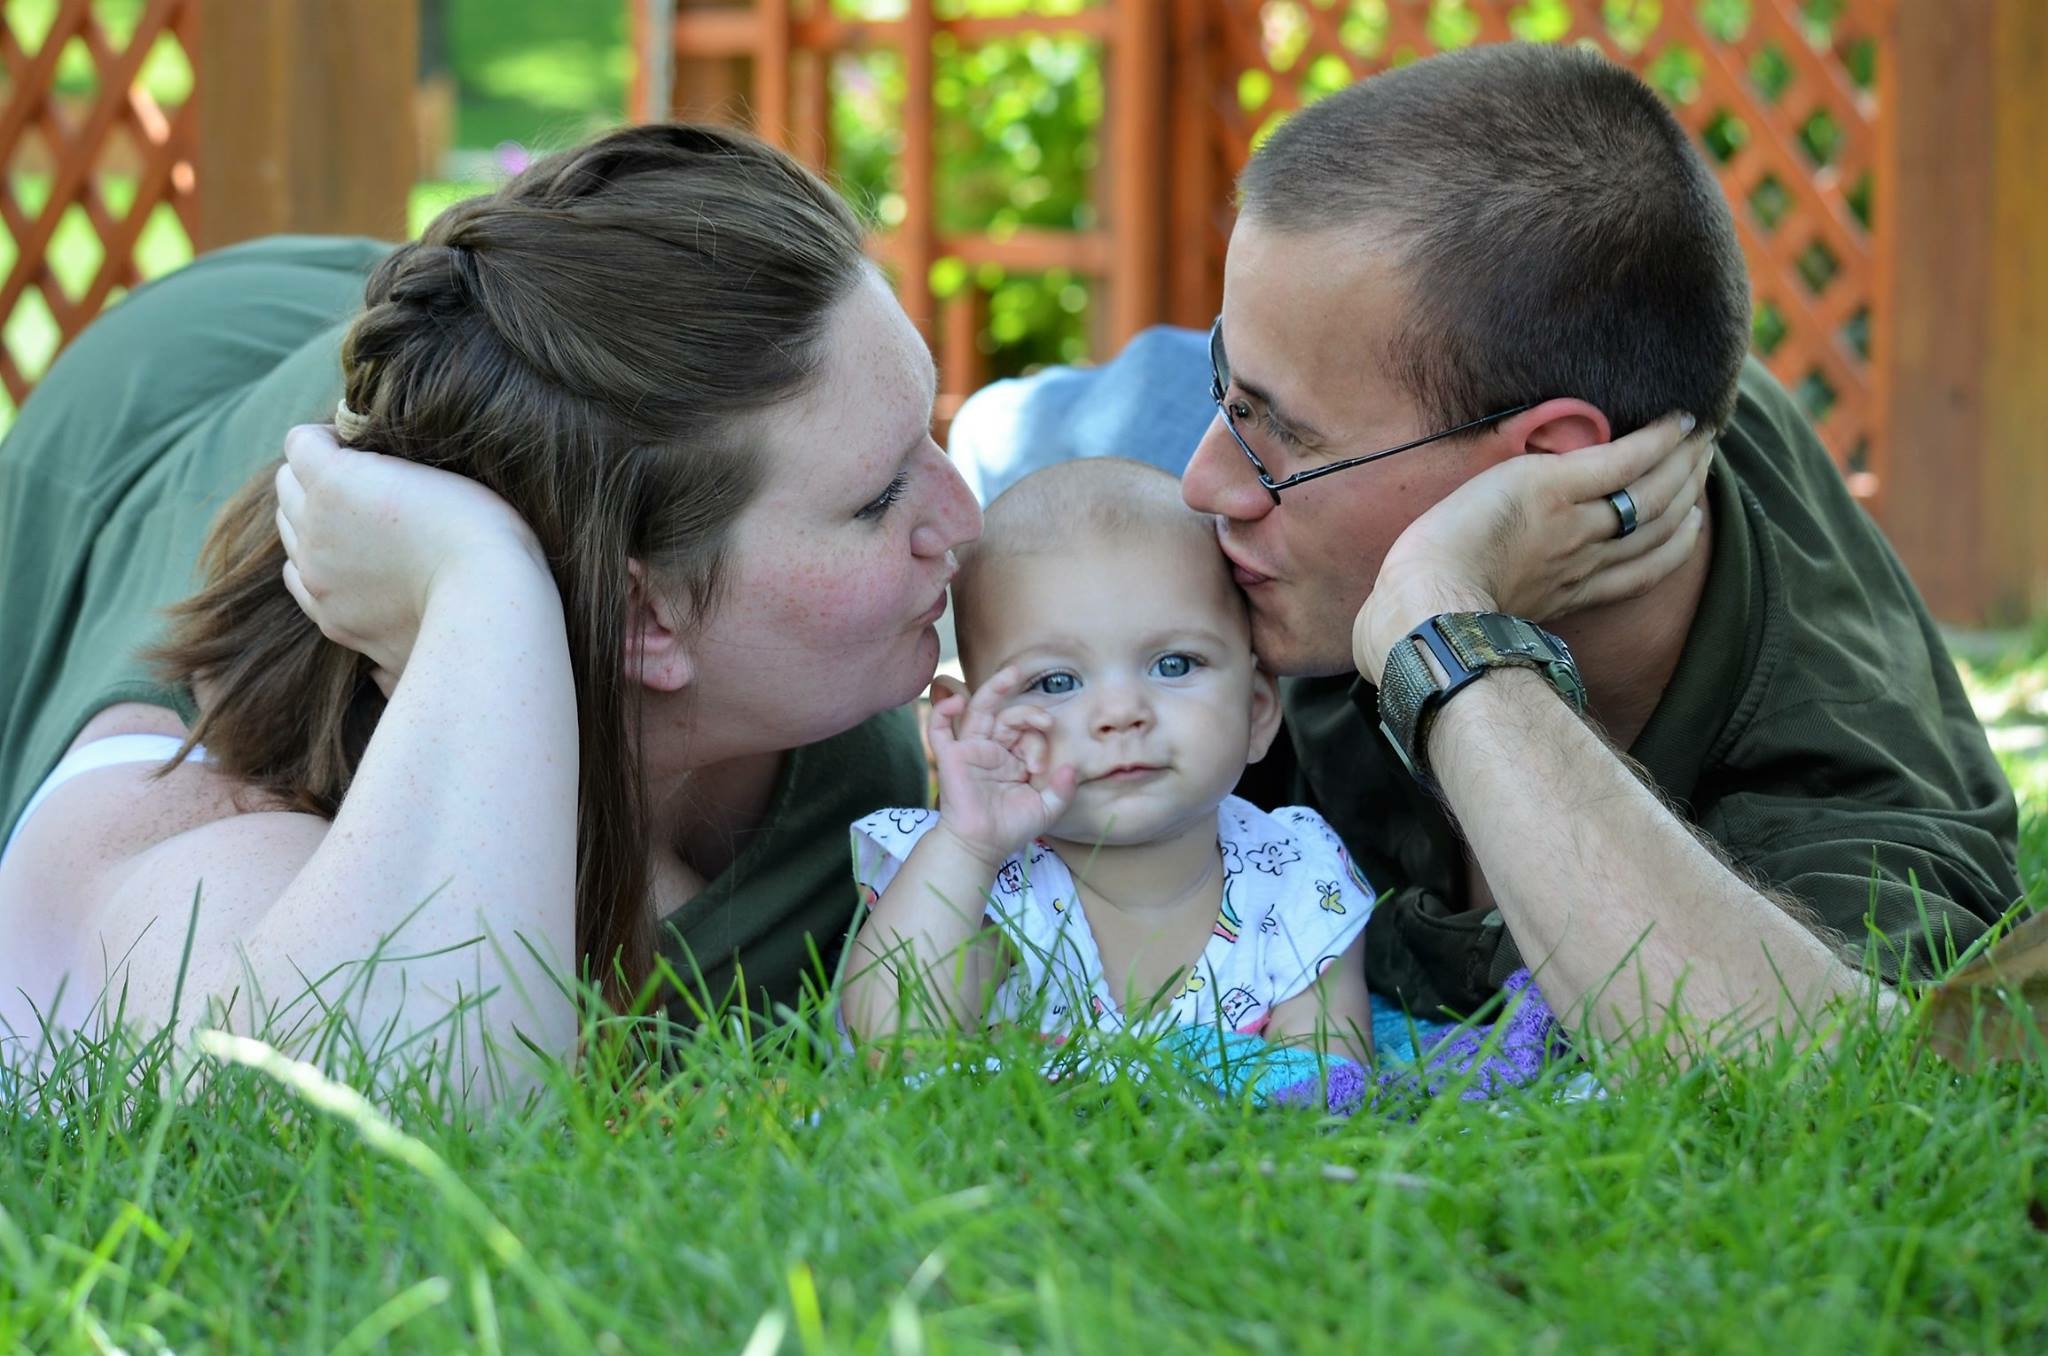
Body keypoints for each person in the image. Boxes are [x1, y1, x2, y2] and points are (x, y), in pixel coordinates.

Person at [951, 43, 2023, 1049]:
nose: (1206, 484)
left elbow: (1809, 1078)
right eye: (1233, 401)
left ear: (1537, 465)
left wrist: (1441, 628)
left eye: (1280, 436)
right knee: (1011, 441)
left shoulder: (1838, 773)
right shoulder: (1278, 506)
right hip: (1156, 409)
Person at [0, 125, 981, 1092]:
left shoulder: (837, 722)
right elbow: (377, 1117)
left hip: (493, 336)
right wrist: (481, 578)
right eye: (880, 498)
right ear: (644, 620)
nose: (967, 520)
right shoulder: (193, 790)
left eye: (928, 431)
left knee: (558, 413)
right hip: (161, 389)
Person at [840, 459, 1374, 1071]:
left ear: (1256, 711)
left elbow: (1328, 1090)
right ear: (967, 731)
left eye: (1173, 665)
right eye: (1057, 681)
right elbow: (894, 1050)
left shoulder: (1297, 880)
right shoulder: (981, 888)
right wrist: (967, 847)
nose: (1120, 714)